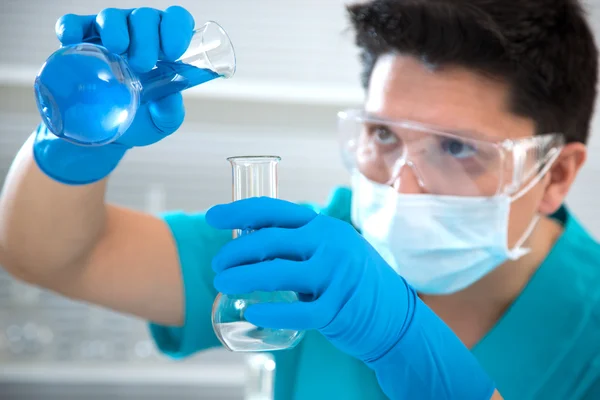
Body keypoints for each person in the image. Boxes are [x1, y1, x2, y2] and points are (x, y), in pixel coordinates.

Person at [1, 0, 599, 398]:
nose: (402, 185)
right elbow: (54, 255)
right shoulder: (306, 254)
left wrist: (403, 342)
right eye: (383, 135)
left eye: (458, 148)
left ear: (556, 174)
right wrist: (76, 142)